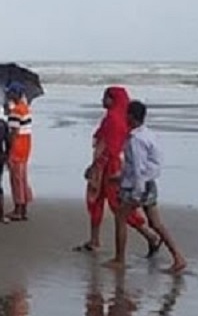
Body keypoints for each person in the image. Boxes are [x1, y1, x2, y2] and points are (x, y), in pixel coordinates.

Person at [79, 87, 161, 255]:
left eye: (105, 97)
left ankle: (150, 236)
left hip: (108, 167)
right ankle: (94, 240)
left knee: (118, 206)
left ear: (112, 99)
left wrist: (94, 167)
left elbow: (108, 146)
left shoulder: (113, 119)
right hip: (110, 165)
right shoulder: (117, 118)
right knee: (97, 202)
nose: (102, 100)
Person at [109, 101, 187, 273]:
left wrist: (135, 192)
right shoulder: (148, 134)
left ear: (130, 116)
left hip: (138, 185)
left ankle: (119, 258)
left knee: (120, 217)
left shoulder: (135, 140)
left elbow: (138, 168)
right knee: (156, 223)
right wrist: (121, 177)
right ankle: (178, 257)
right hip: (150, 182)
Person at [6, 84, 34, 221]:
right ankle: (24, 208)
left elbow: (13, 133)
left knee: (16, 179)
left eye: (10, 93)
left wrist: (8, 149)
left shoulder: (16, 111)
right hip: (26, 146)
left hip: (17, 147)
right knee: (23, 178)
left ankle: (18, 208)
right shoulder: (25, 108)